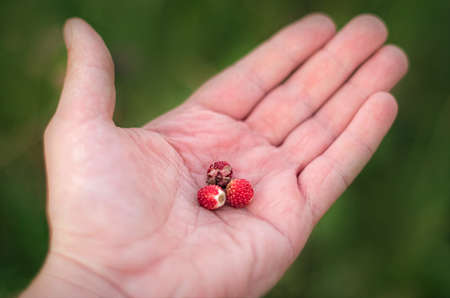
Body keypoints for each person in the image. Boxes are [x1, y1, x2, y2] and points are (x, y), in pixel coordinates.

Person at [20, 13, 408, 298]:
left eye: (222, 186)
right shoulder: (218, 191)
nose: (221, 185)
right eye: (220, 186)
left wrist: (93, 279)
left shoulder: (226, 188)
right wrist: (98, 276)